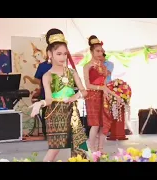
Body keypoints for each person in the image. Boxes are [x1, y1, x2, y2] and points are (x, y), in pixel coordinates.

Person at [29, 28, 88, 162]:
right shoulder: (47, 75)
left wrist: (75, 96)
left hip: (72, 112)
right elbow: (49, 99)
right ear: (50, 53)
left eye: (65, 54)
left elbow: (84, 91)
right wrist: (41, 103)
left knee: (79, 146)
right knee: (55, 148)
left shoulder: (72, 72)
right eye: (59, 54)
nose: (62, 57)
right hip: (55, 113)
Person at [83, 35, 122, 153]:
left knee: (103, 124)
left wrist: (116, 95)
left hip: (103, 96)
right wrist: (101, 88)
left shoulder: (104, 67)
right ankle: (92, 149)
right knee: (95, 124)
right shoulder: (87, 66)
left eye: (101, 51)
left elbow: (105, 86)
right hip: (92, 97)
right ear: (91, 51)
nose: (100, 53)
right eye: (97, 51)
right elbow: (88, 85)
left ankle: (100, 149)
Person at [33, 47, 52, 140]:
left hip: (60, 96)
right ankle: (46, 134)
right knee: (46, 114)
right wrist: (43, 84)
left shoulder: (63, 66)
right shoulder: (43, 66)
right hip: (46, 94)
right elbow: (36, 78)